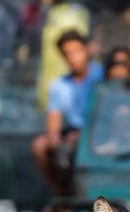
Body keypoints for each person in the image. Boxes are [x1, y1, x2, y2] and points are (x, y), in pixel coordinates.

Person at [32, 31, 104, 197]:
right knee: (40, 146)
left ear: (86, 50)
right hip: (73, 134)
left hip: (99, 132)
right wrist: (56, 142)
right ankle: (61, 196)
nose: (73, 58)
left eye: (76, 51)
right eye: (67, 54)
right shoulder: (59, 85)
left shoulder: (101, 75)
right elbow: (53, 125)